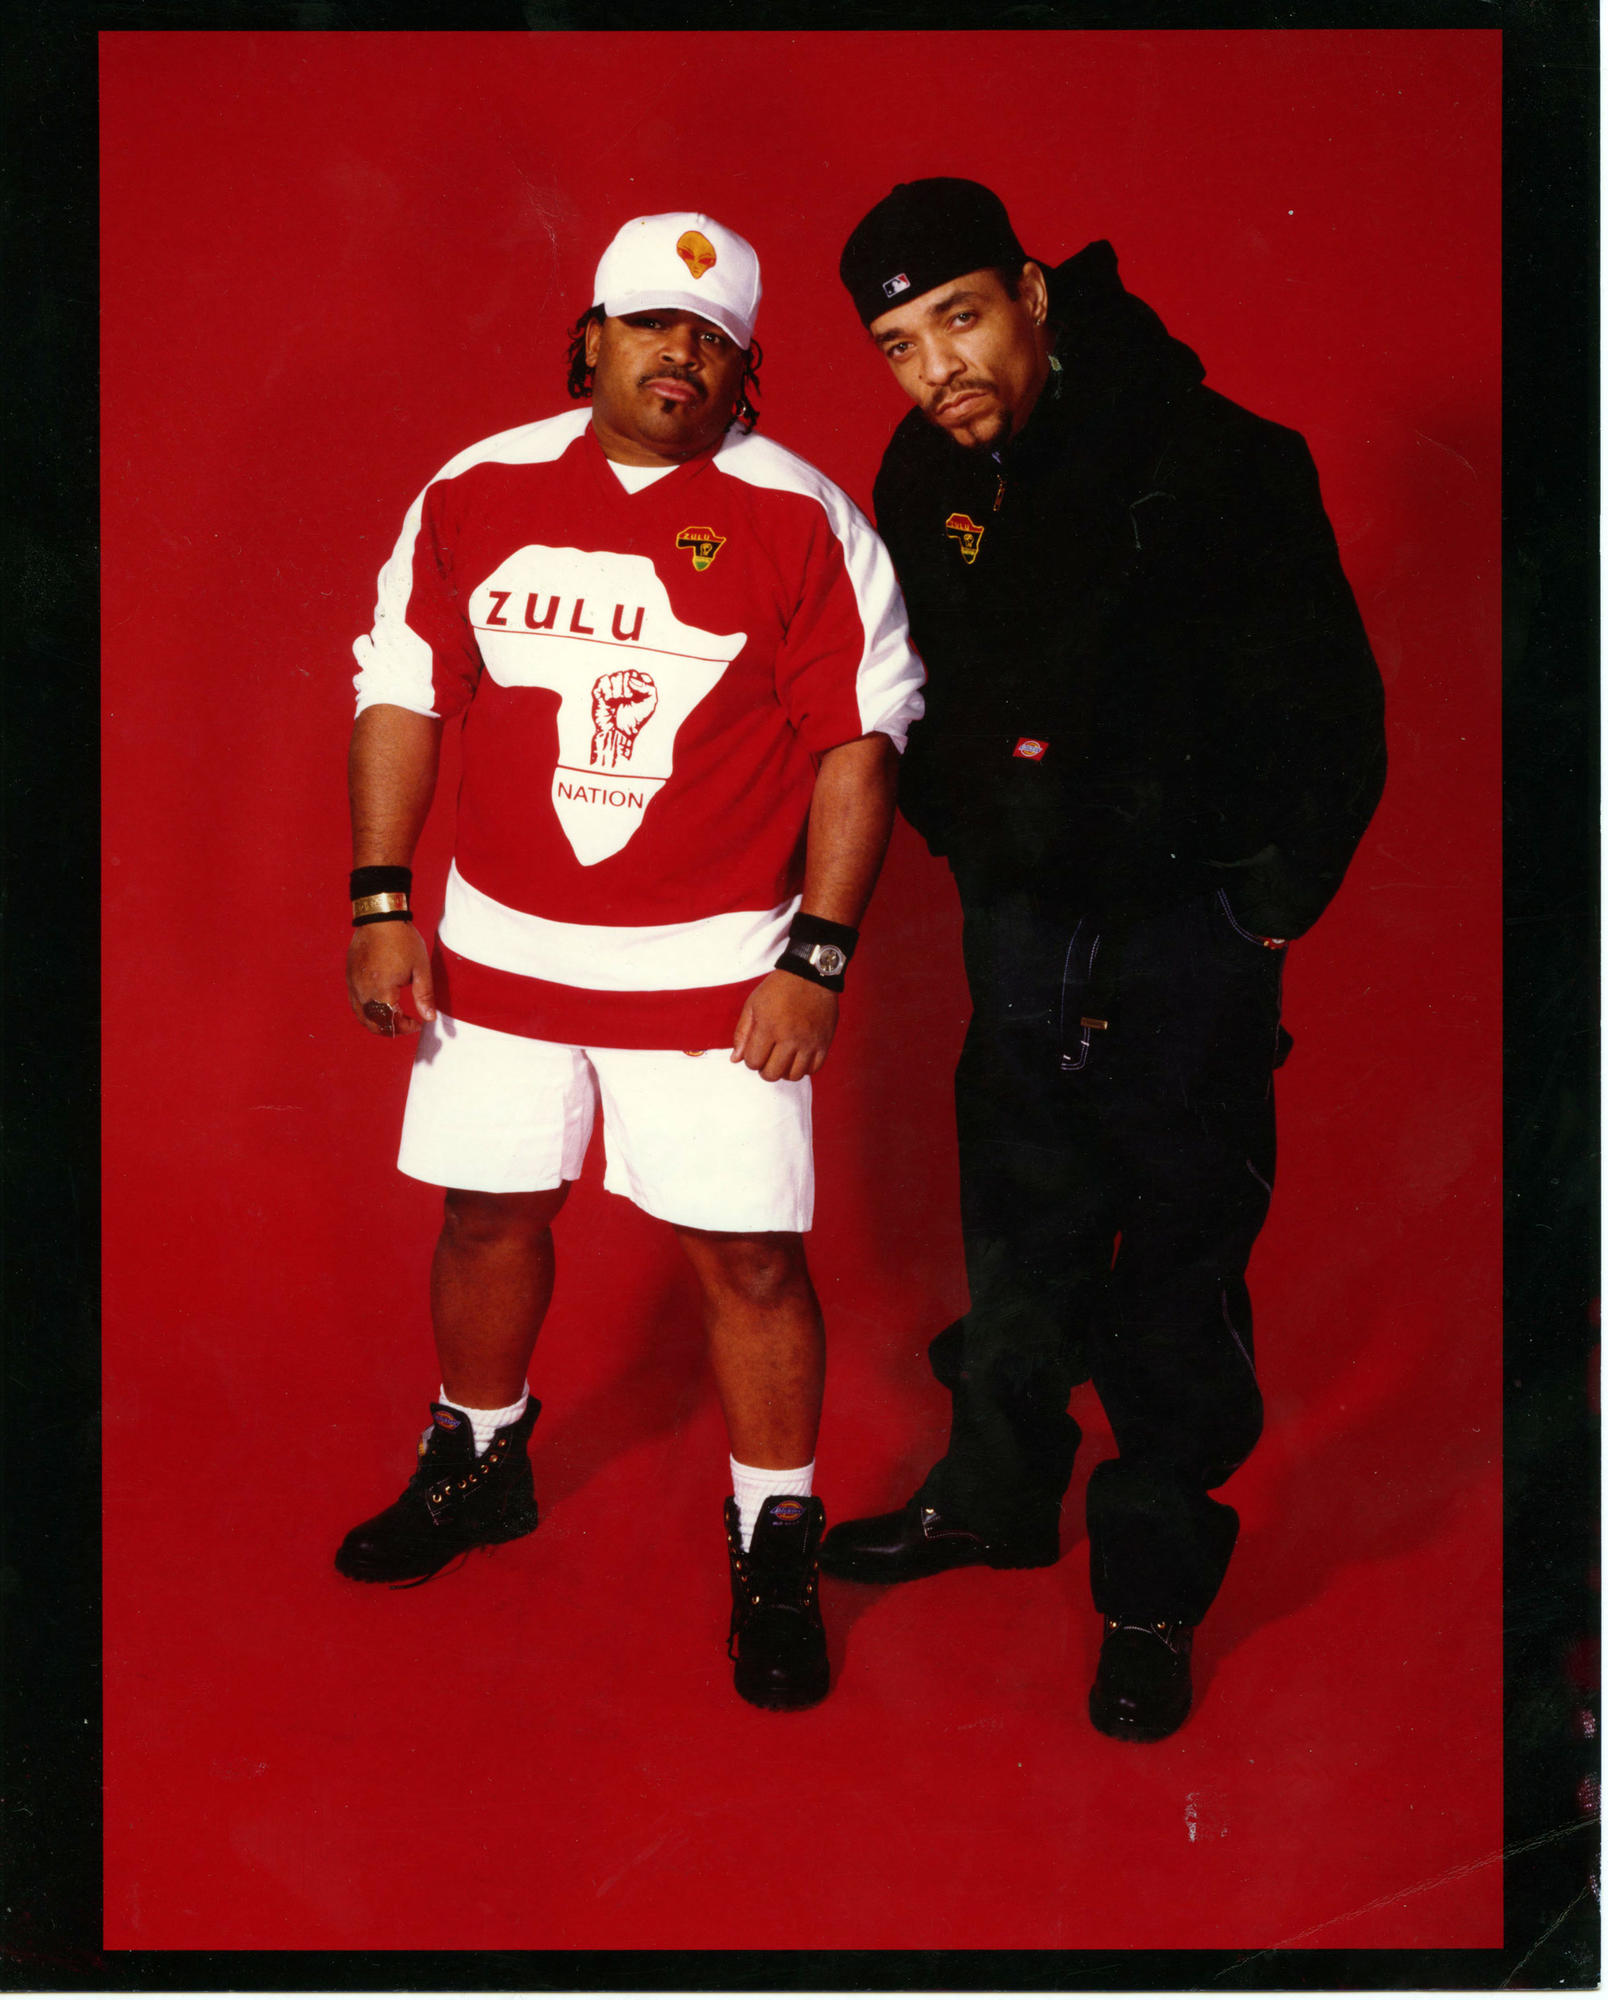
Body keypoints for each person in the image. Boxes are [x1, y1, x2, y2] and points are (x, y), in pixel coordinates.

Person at [336, 211, 924, 1714]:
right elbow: (404, 686)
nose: (683, 353)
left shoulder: (803, 516)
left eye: (715, 337)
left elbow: (859, 744)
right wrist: (382, 898)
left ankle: (774, 1535)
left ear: (747, 366)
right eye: (654, 322)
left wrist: (817, 957)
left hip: (715, 968)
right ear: (590, 335)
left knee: (749, 1258)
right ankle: (480, 1457)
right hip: (502, 949)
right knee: (487, 1216)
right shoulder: (476, 486)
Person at [822, 178, 1386, 1741]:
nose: (938, 368)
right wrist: (971, 837)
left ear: (1033, 291)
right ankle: (996, 1497)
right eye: (898, 345)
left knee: (1180, 1257)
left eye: (960, 319)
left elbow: (1335, 713)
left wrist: (1258, 911)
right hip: (1020, 920)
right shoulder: (923, 470)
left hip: (1187, 926)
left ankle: (1149, 1589)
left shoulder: (1221, 460)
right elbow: (905, 683)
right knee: (1016, 1229)